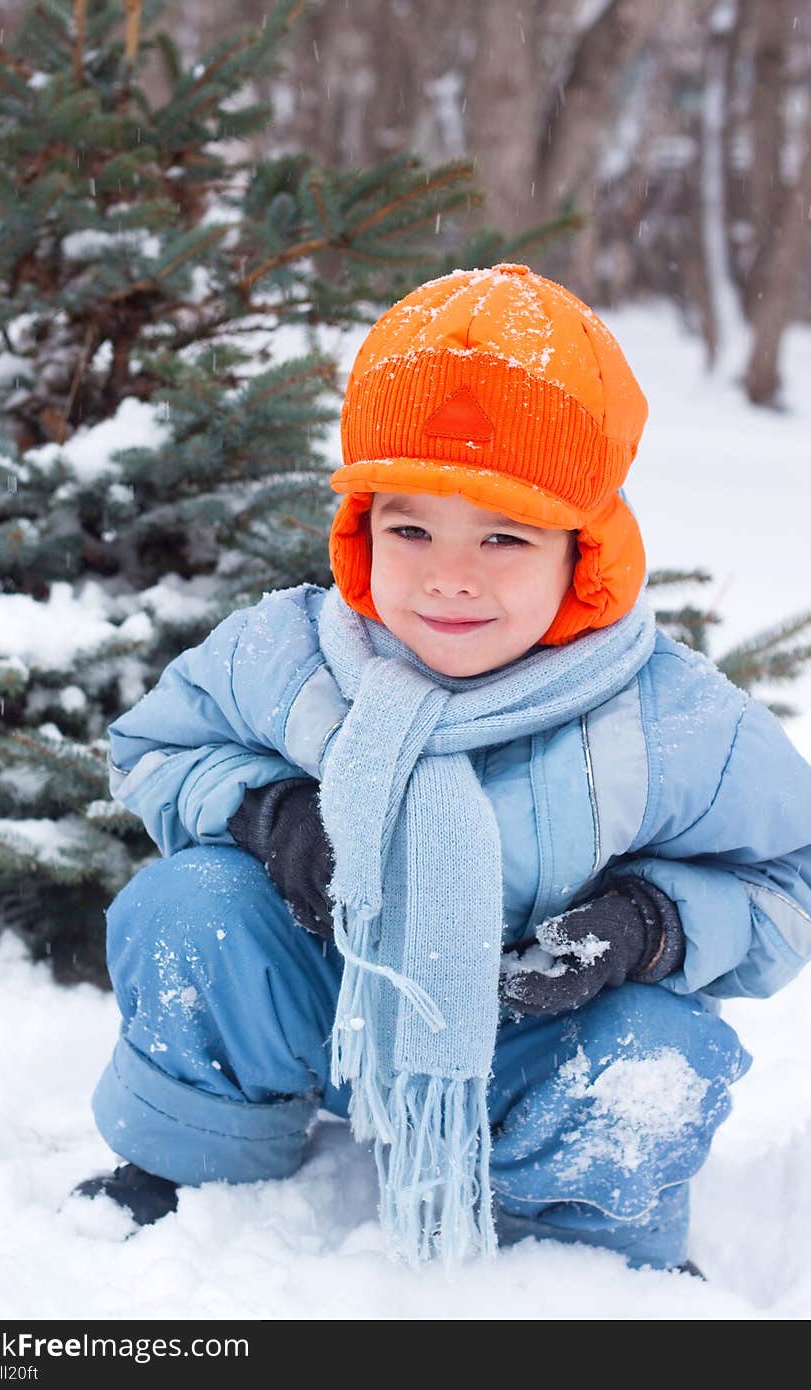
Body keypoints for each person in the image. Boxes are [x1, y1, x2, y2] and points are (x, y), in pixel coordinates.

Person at [70, 264, 811, 1275]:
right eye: (408, 526)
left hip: (529, 1039)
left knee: (654, 1051)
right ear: (360, 527)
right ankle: (201, 1159)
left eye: (503, 535)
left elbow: (788, 877)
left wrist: (651, 923)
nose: (447, 575)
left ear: (580, 549)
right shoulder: (293, 654)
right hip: (330, 1005)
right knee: (188, 905)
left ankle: (570, 1249)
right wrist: (266, 811)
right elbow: (157, 750)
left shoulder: (668, 717)